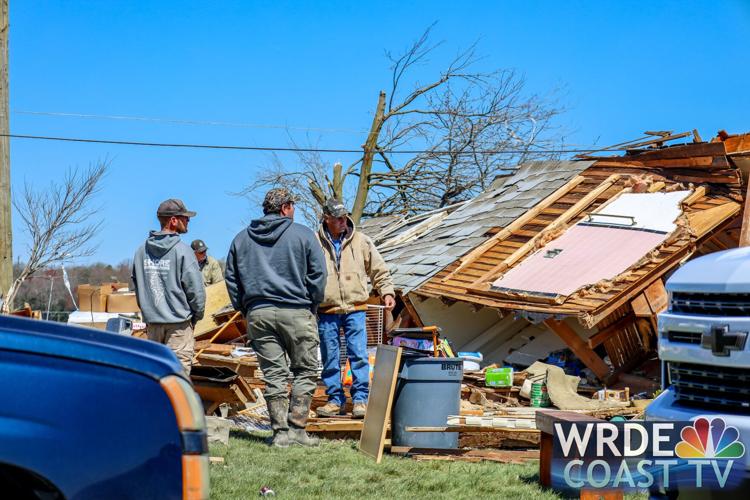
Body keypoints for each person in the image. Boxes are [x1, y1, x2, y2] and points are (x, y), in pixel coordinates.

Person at [225, 188, 327, 448]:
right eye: (292, 206)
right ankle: (297, 430)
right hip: (297, 311)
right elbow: (318, 275)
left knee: (274, 375)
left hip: (258, 313)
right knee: (305, 370)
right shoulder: (303, 235)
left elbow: (232, 280)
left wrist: (246, 308)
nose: (294, 210)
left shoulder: (240, 239)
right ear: (284, 208)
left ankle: (280, 434)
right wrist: (312, 304)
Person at [315, 198, 395, 419]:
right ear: (326, 218)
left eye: (344, 217)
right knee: (330, 356)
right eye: (337, 218)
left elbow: (378, 269)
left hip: (356, 307)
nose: (343, 221)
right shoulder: (314, 243)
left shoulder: (361, 241)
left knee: (358, 354)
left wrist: (387, 291)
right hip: (327, 309)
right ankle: (334, 400)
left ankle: (360, 400)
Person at [132, 198, 206, 375]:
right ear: (173, 220)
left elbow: (137, 287)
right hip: (178, 326)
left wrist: (149, 313)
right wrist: (196, 316)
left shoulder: (141, 251)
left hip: (153, 324)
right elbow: (196, 291)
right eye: (185, 217)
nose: (188, 220)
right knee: (178, 379)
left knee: (156, 377)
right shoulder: (183, 250)